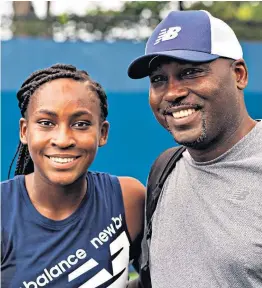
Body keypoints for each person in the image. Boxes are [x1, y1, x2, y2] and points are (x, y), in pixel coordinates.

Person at [127, 10, 262, 288]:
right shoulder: (164, 169)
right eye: (158, 79)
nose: (172, 92)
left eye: (190, 72)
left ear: (239, 74)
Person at [1, 64, 145, 287]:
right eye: (46, 123)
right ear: (24, 131)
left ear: (102, 133)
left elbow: (159, 277)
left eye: (80, 124)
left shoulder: (128, 199)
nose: (63, 139)